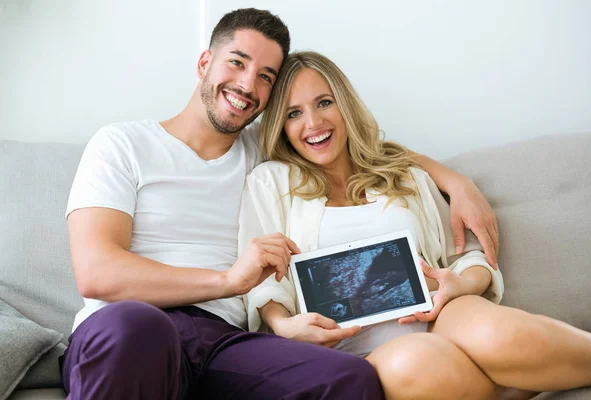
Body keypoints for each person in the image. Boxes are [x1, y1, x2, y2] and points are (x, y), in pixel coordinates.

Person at [62, 8, 501, 400]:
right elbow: (98, 272)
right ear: (204, 63)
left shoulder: (265, 155)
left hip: (222, 341)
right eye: (237, 62)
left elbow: (359, 149)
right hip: (129, 329)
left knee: (350, 378)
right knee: (140, 329)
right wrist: (226, 281)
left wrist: (454, 181)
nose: (247, 85)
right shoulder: (122, 144)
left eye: (266, 77)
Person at [238, 51, 591, 400]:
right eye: (294, 113)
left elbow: (468, 257)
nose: (313, 123)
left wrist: (460, 284)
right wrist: (285, 327)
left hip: (441, 314)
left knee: (501, 336)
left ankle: (530, 369)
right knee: (415, 365)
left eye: (324, 102)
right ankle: (522, 383)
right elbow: (264, 281)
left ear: (344, 104)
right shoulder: (271, 183)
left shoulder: (404, 174)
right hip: (351, 348)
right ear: (281, 127)